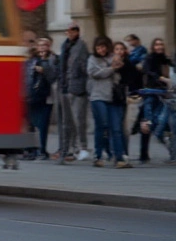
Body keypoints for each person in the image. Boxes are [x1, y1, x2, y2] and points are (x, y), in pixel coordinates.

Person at [86, 36, 128, 168]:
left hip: (113, 98)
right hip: (98, 97)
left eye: (103, 47)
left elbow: (119, 75)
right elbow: (94, 73)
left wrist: (117, 67)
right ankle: (98, 156)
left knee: (116, 128)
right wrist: (111, 69)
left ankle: (119, 158)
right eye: (98, 48)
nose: (101, 50)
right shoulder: (92, 59)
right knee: (102, 125)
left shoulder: (113, 57)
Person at [58, 23, 90, 163]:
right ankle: (66, 149)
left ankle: (82, 147)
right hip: (65, 86)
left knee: (79, 120)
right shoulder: (64, 46)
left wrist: (84, 85)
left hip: (78, 87)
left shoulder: (81, 46)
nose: (69, 33)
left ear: (77, 32)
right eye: (68, 31)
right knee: (66, 122)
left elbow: (84, 67)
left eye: (72, 31)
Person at [24, 37, 58, 160]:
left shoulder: (53, 60)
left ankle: (42, 150)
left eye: (45, 45)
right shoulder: (31, 61)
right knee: (31, 124)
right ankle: (31, 150)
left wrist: (44, 69)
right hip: (32, 96)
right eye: (40, 45)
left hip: (46, 97)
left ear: (49, 47)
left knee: (43, 125)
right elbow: (26, 77)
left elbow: (53, 77)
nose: (43, 47)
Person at [139, 38, 172, 164]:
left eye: (161, 44)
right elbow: (147, 71)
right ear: (153, 46)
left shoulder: (166, 59)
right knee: (147, 121)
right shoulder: (149, 58)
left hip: (163, 94)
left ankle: (165, 142)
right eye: (157, 44)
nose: (159, 47)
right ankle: (143, 154)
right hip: (150, 92)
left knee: (158, 120)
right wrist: (161, 78)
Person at [113, 41, 142, 161]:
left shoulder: (129, 64)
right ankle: (114, 151)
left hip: (125, 98)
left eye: (121, 49)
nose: (119, 51)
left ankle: (124, 151)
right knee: (114, 126)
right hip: (112, 98)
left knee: (124, 127)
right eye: (117, 49)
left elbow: (135, 80)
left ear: (125, 51)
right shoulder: (110, 63)